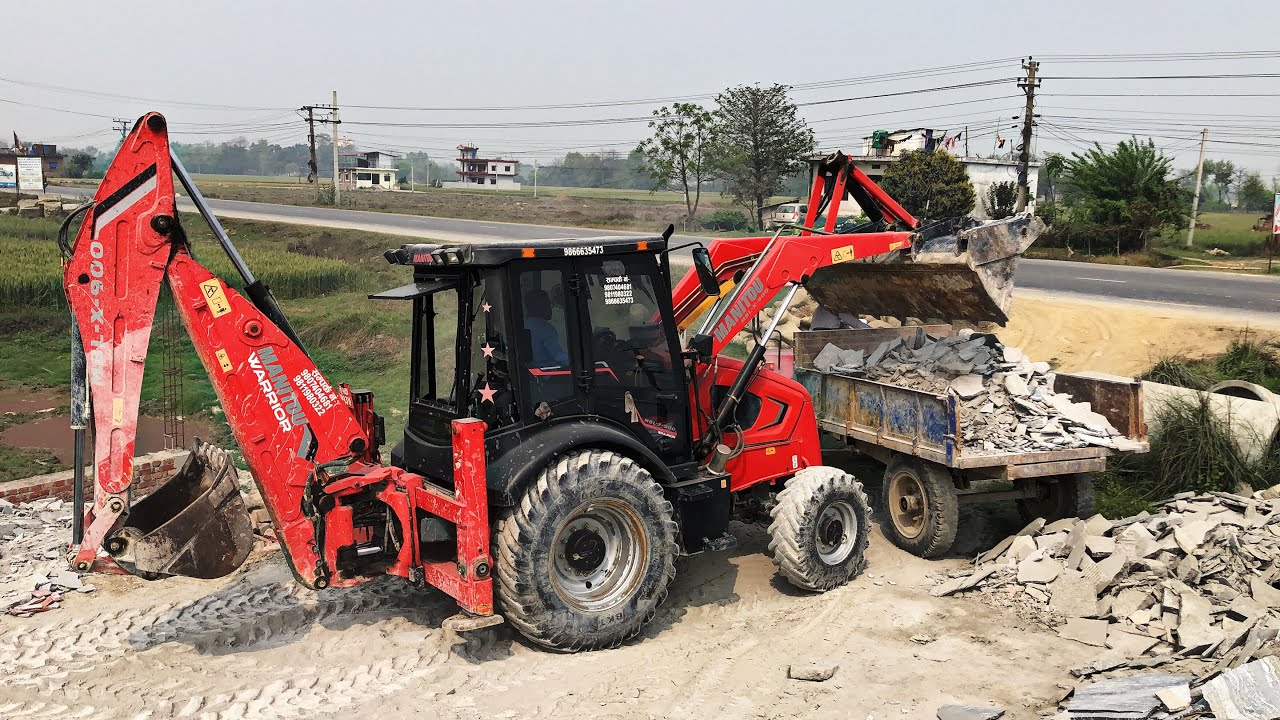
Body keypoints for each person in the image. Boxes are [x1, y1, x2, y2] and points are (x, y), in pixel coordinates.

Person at [524, 288, 568, 366]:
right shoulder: (545, 328)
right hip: (546, 376)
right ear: (540, 306)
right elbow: (557, 355)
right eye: (548, 304)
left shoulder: (523, 325)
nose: (551, 307)